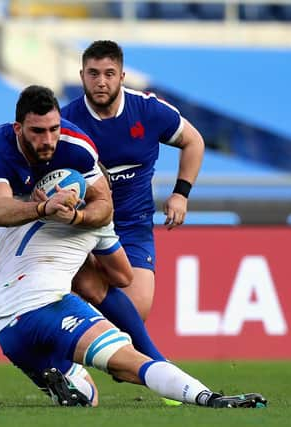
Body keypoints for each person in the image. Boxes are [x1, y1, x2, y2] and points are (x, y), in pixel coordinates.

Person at [0, 85, 164, 408]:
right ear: (19, 129)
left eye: (54, 129)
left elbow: (104, 206)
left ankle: (155, 364)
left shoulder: (77, 146)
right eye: (38, 132)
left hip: (56, 208)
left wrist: (76, 216)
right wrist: (43, 209)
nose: (48, 139)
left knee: (91, 282)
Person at [0, 169, 267, 408]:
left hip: (7, 330)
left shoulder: (7, 210)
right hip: (49, 308)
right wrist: (88, 247)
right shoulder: (95, 220)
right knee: (130, 363)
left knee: (89, 397)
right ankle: (208, 398)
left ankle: (62, 387)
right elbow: (123, 275)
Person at [61, 40, 205, 321]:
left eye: (109, 73)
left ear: (122, 77)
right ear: (81, 76)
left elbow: (194, 141)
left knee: (134, 315)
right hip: (82, 227)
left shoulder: (149, 111)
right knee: (73, 318)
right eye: (93, 73)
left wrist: (181, 194)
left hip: (133, 226)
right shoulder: (65, 122)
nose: (101, 81)